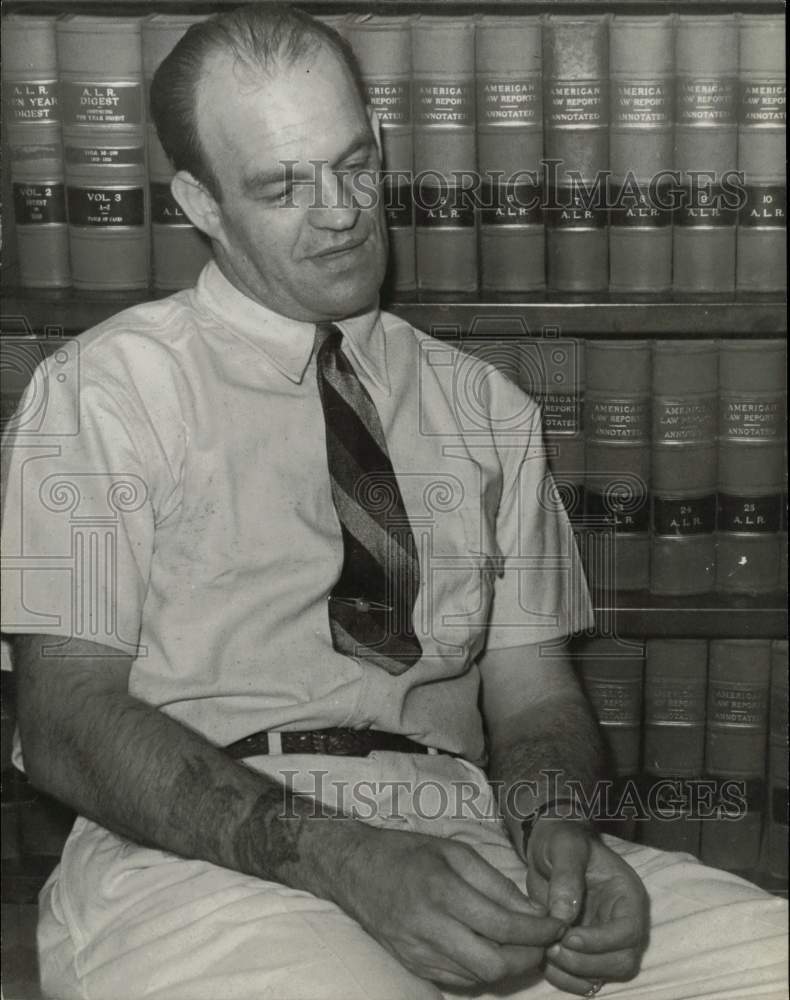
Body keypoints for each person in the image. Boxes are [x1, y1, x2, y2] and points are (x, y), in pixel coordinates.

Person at [1, 6, 786, 999]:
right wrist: (343, 855)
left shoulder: (484, 406)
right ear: (199, 202)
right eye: (282, 186)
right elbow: (64, 714)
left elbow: (537, 696)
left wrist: (556, 831)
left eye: (353, 163)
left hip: (464, 836)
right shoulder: (99, 390)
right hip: (197, 859)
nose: (339, 211)